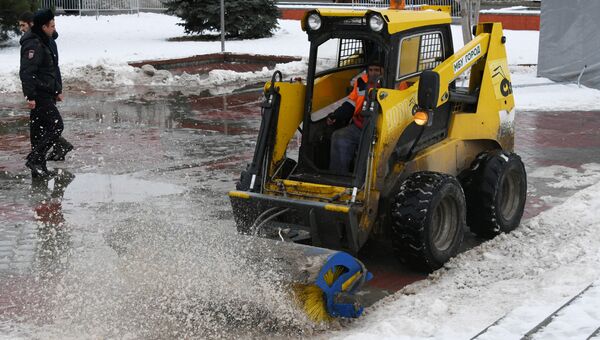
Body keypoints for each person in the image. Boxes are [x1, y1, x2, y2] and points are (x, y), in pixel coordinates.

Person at [20, 9, 72, 178]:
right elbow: (27, 72)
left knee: (38, 130)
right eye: (52, 26)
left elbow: (52, 68)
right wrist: (31, 95)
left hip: (47, 91)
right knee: (57, 126)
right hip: (40, 93)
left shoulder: (44, 40)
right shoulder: (33, 44)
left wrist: (57, 89)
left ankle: (39, 166)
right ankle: (35, 159)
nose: (54, 29)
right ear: (43, 26)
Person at [327, 61, 384, 173]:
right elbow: (351, 103)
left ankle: (364, 181)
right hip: (360, 125)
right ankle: (339, 176)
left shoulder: (395, 84)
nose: (373, 73)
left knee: (367, 148)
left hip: (381, 130)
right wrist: (336, 115)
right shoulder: (361, 82)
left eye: (376, 70)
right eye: (371, 70)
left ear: (383, 71)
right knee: (340, 136)